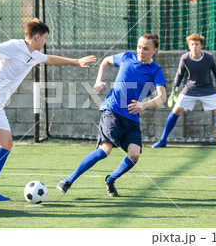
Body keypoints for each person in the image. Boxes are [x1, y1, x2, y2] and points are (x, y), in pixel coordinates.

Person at [0, 18, 96, 201]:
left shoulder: (35, 54)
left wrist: (76, 62)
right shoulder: (15, 46)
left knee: (6, 144)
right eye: (44, 38)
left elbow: (50, 59)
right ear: (37, 37)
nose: (45, 42)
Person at [57, 34, 167, 197]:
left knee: (134, 154)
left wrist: (144, 105)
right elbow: (106, 61)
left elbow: (162, 97)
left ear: (154, 50)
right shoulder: (127, 57)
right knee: (104, 150)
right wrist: (99, 80)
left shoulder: (155, 70)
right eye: (139, 47)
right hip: (112, 111)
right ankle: (68, 180)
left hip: (132, 117)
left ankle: (111, 179)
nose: (141, 51)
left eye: (146, 49)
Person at [152, 33, 216, 149]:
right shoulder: (185, 58)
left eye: (196, 44)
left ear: (201, 46)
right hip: (189, 89)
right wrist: (175, 90)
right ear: (189, 46)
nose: (194, 46)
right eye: (192, 44)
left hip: (208, 89)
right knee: (176, 110)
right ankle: (163, 140)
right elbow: (179, 74)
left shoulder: (209, 58)